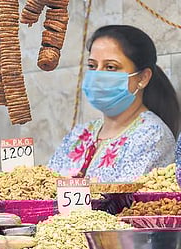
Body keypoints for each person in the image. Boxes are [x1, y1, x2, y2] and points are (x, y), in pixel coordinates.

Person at [49, 25, 180, 182]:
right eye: (92, 66)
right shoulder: (79, 133)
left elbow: (126, 200)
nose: (97, 75)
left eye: (110, 67)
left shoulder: (152, 135)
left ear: (143, 78)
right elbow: (43, 188)